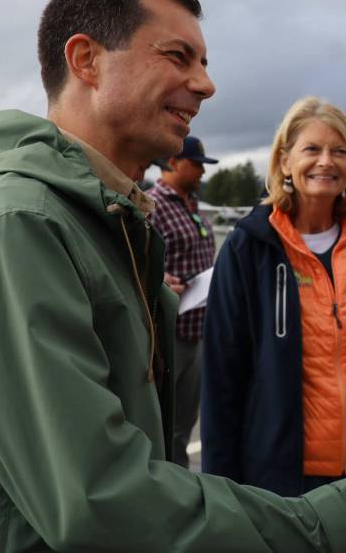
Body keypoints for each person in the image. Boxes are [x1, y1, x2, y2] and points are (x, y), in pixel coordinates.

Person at [0, 0, 346, 552]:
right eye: (179, 56)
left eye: (205, 63)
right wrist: (327, 522)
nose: (207, 84)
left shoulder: (102, 223)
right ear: (86, 60)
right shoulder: (18, 229)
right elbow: (102, 498)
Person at [202, 96, 346, 497]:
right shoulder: (248, 249)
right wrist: (221, 491)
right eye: (312, 149)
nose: (327, 161)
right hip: (284, 482)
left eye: (339, 151)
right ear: (285, 160)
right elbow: (222, 377)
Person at [145, 135, 218, 468]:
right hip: (167, 338)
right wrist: (159, 283)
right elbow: (137, 265)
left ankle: (182, 489)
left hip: (197, 334)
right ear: (172, 162)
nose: (202, 173)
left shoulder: (193, 208)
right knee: (159, 427)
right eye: (197, 165)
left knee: (183, 426)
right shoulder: (151, 206)